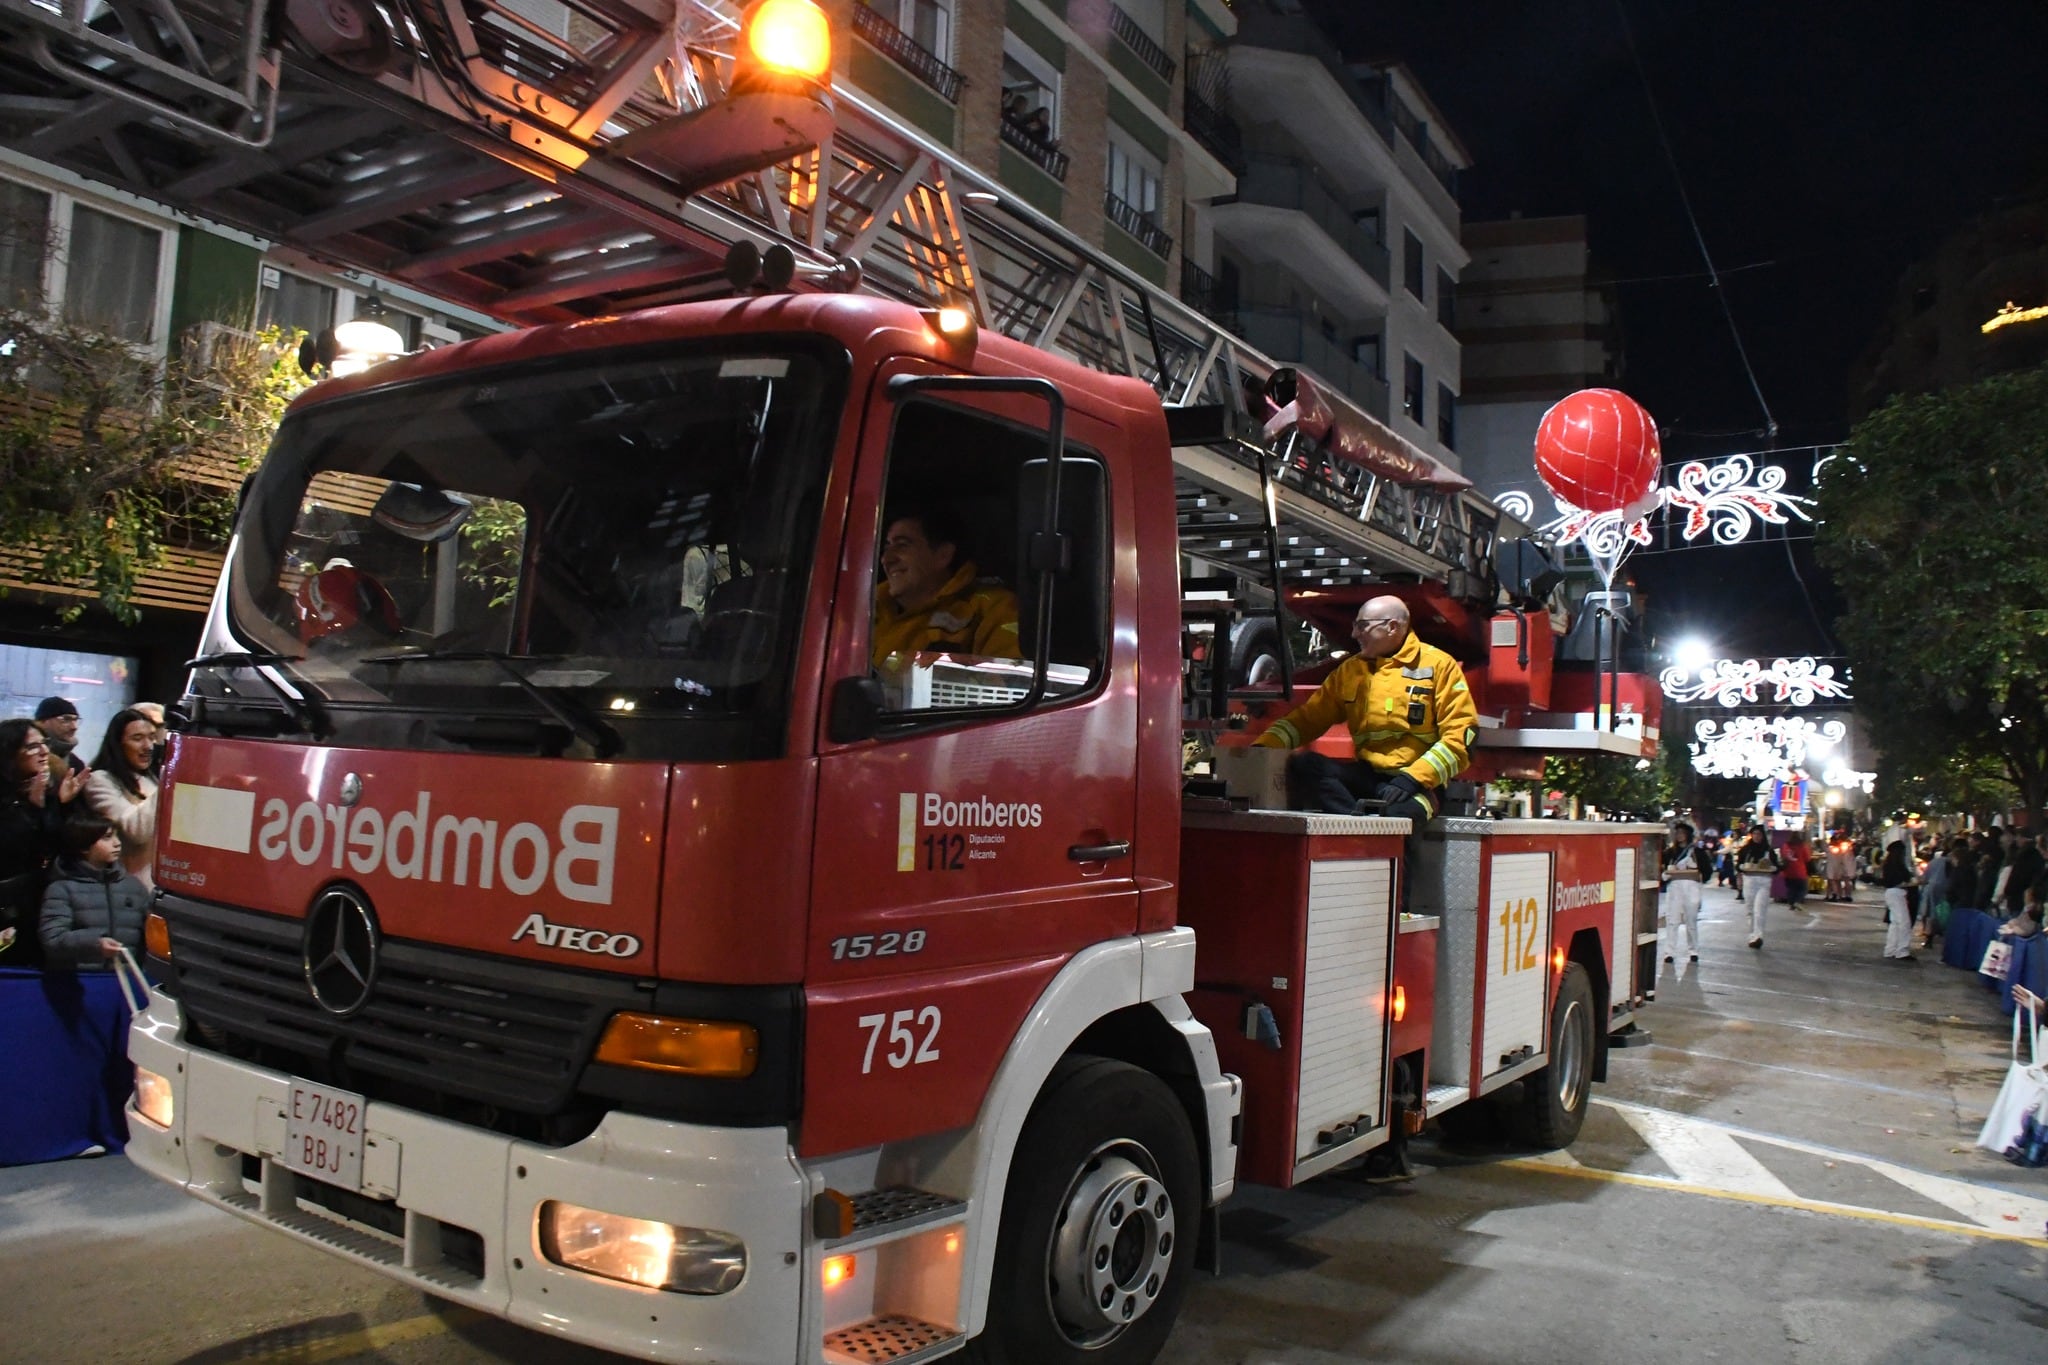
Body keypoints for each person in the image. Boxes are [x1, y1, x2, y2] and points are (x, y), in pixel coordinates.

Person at [1253, 595, 1478, 823]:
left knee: (1398, 824)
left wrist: (1413, 778)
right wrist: (1262, 748)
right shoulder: (1350, 671)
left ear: (1392, 627)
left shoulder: (1440, 666)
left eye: (1362, 626)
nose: (1354, 634)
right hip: (1367, 777)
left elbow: (1461, 740)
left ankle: (1379, 843)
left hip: (1417, 786)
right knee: (1306, 765)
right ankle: (1356, 828)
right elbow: (1306, 720)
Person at [870, 506, 1021, 667]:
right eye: (887, 547)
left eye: (902, 545)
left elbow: (1010, 683)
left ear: (943, 555)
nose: (886, 559)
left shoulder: (992, 609)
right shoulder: (866, 612)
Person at [37, 814, 149, 971]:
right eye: (107, 838)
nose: (117, 843)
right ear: (84, 846)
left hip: (127, 981)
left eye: (116, 836)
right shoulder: (62, 889)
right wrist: (95, 943)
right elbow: (53, 939)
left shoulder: (133, 886)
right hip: (82, 981)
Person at [0, 718, 68, 967]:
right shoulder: (8, 800)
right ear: (9, 754)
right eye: (32, 746)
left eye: (44, 743)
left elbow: (54, 846)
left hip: (41, 906)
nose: (44, 752)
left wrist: (54, 805)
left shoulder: (50, 790)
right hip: (9, 908)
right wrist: (31, 807)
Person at [82, 707, 160, 891]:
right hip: (126, 887)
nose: (148, 746)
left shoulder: (151, 778)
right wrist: (169, 784)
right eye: (137, 738)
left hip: (159, 881)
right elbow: (137, 830)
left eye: (151, 737)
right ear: (118, 743)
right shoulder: (100, 780)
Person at [1660, 821, 1713, 963]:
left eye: (1682, 833)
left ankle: (1693, 950)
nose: (1679, 836)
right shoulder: (1669, 853)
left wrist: (1699, 875)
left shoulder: (1697, 852)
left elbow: (1707, 871)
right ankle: (1669, 952)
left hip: (1692, 886)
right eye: (1677, 833)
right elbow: (1662, 870)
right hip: (1675, 886)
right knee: (1672, 920)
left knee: (1691, 920)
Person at [1734, 824, 1781, 949]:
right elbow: (1738, 865)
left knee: (1760, 909)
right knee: (1750, 909)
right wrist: (1742, 867)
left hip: (1764, 881)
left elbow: (1777, 868)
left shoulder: (1768, 851)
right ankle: (1752, 935)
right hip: (1749, 880)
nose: (1756, 836)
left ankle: (1758, 936)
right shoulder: (1745, 850)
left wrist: (1772, 868)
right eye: (1754, 834)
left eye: (1759, 834)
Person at [33, 696, 88, 801]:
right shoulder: (30, 759)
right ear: (43, 721)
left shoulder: (75, 764)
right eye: (66, 719)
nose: (74, 727)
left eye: (76, 720)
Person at [1880, 840, 1917, 961]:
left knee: (1895, 923)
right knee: (1904, 922)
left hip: (1890, 893)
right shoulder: (1898, 866)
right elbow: (1903, 880)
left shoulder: (1887, 865)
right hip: (1897, 894)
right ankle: (1902, 951)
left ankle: (1890, 949)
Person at [1781, 831, 1811, 911]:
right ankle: (1797, 901)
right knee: (1803, 888)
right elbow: (1807, 858)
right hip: (1800, 871)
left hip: (1788, 871)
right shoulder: (1802, 846)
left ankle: (1791, 904)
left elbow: (1783, 856)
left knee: (1791, 888)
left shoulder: (1786, 845)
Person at [1825, 833, 1856, 901]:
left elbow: (1842, 857)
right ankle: (1844, 895)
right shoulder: (1848, 846)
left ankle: (1841, 895)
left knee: (1842, 881)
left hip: (1843, 866)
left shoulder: (1842, 847)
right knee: (1843, 881)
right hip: (1845, 865)